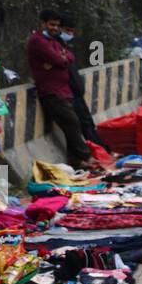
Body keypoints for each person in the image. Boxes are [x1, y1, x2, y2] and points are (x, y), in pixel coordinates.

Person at [26, 9, 91, 167]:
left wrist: (60, 59)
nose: (55, 28)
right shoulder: (37, 41)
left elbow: (69, 56)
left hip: (64, 90)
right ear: (43, 23)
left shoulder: (53, 40)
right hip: (51, 91)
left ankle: (75, 160)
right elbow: (59, 59)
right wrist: (60, 59)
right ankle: (86, 156)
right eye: (51, 24)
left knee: (71, 125)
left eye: (57, 25)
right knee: (73, 122)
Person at [58, 14, 105, 149]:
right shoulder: (56, 47)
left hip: (77, 92)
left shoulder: (66, 48)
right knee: (82, 124)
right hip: (69, 93)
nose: (70, 34)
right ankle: (96, 150)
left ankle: (101, 148)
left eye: (72, 31)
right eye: (67, 30)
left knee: (88, 122)